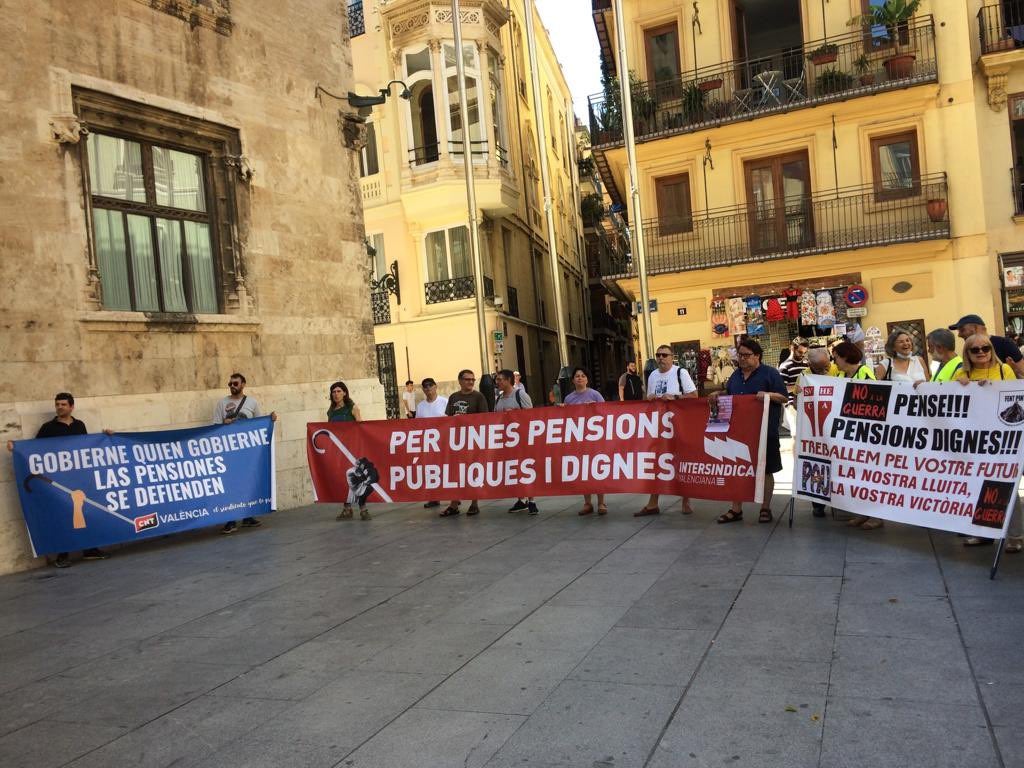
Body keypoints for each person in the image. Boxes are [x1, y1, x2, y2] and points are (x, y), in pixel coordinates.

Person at [6, 392, 111, 568]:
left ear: (71, 407)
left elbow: (87, 446)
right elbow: (34, 449)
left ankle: (90, 549)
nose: (59, 407)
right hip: (59, 480)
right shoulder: (48, 428)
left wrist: (105, 436)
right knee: (63, 514)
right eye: (57, 404)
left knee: (85, 510)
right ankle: (62, 555)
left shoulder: (80, 425)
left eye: (63, 404)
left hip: (78, 478)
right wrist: (16, 446)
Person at [710, 339, 787, 525]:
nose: (742, 359)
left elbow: (784, 396)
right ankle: (736, 509)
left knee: (767, 469)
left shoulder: (770, 374)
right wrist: (719, 395)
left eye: (746, 355)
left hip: (764, 431)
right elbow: (730, 397)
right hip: (739, 432)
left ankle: (765, 508)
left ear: (757, 356)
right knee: (736, 468)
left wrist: (768, 395)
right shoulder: (735, 376)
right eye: (740, 355)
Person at [954, 335, 1016, 547]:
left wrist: (991, 390)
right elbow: (947, 400)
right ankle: (983, 532)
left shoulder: (1004, 371)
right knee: (978, 486)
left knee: (1007, 487)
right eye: (975, 349)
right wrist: (959, 385)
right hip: (975, 441)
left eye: (985, 348)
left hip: (1004, 440)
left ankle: (1014, 536)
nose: (981, 352)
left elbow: (1015, 398)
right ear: (968, 353)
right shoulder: (961, 374)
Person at [637, 344, 697, 517]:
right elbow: (648, 398)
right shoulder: (653, 375)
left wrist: (675, 397)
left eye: (664, 355)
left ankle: (686, 499)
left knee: (680, 460)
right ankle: (652, 503)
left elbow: (693, 395)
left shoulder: (680, 373)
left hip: (678, 424)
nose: (661, 358)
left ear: (672, 357)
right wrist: (650, 399)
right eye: (658, 355)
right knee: (657, 462)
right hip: (659, 426)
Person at [216, 373, 277, 534]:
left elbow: (260, 423)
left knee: (247, 483)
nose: (232, 386)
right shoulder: (222, 403)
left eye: (235, 383)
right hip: (229, 452)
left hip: (248, 453)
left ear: (243, 384)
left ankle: (247, 516)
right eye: (230, 383)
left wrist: (270, 418)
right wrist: (224, 423)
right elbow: (214, 426)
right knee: (231, 485)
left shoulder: (252, 403)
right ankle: (230, 520)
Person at [441, 369, 490, 517]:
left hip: (473, 441)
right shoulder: (453, 397)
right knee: (455, 472)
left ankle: (474, 503)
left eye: (473, 380)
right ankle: (454, 504)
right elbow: (447, 418)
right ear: (460, 381)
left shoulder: (479, 397)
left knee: (473, 471)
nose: (470, 382)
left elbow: (484, 418)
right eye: (467, 379)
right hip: (456, 441)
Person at [563, 367, 608, 516]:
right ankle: (587, 502)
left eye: (583, 376)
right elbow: (566, 419)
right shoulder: (569, 398)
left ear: (587, 379)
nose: (580, 378)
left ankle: (601, 502)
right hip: (578, 439)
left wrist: (594, 408)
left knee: (597, 468)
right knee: (582, 469)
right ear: (573, 380)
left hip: (594, 438)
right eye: (577, 376)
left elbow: (606, 413)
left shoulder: (595, 394)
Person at [495, 369, 539, 516]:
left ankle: (532, 500)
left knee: (526, 470)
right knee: (514, 470)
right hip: (507, 442)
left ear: (508, 380)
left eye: (500, 379)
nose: (498, 382)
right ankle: (521, 499)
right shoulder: (499, 399)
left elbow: (531, 415)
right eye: (497, 379)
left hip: (522, 439)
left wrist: (515, 413)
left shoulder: (520, 395)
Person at [804, 347, 835, 519]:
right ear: (811, 365)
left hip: (834, 427)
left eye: (827, 365)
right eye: (821, 368)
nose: (826, 369)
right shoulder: (804, 376)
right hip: (815, 430)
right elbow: (797, 401)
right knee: (817, 465)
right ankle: (818, 504)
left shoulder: (836, 370)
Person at [327, 382, 361, 519]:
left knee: (357, 478)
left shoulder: (352, 408)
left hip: (352, 448)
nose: (336, 394)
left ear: (345, 393)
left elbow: (361, 427)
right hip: (338, 450)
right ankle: (347, 508)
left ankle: (363, 508)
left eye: (339, 391)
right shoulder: (331, 411)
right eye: (333, 392)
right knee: (343, 479)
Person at [949, 314, 1024, 377]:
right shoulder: (960, 372)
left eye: (962, 330)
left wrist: (1013, 371)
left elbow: (1022, 372)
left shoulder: (1005, 344)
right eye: (974, 350)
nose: (959, 335)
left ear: (976, 328)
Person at [415, 378, 448, 509]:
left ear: (436, 386)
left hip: (444, 442)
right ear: (423, 389)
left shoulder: (445, 402)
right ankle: (434, 497)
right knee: (430, 471)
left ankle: (453, 496)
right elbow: (417, 425)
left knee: (446, 469)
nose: (428, 388)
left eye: (430, 386)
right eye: (425, 386)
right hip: (428, 444)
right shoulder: (420, 406)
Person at [778, 337, 809, 437]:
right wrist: (797, 387)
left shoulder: (807, 364)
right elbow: (782, 389)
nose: (802, 355)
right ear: (792, 348)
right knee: (796, 435)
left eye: (804, 352)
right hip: (792, 405)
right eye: (800, 352)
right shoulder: (784, 366)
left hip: (807, 404)